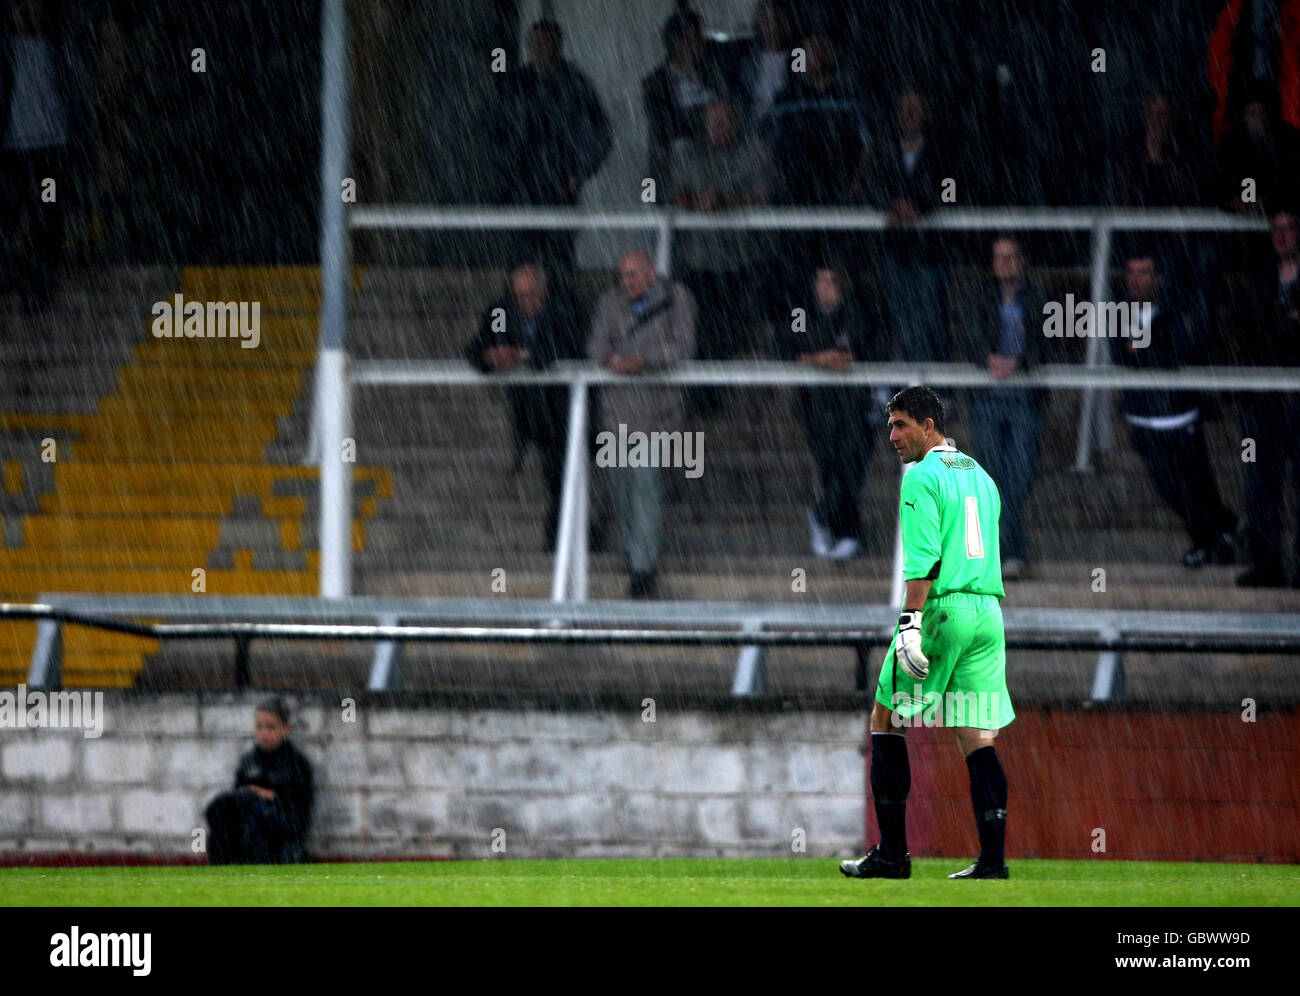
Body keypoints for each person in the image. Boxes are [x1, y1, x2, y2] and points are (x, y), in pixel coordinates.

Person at [842, 387, 1015, 881]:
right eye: (890, 425)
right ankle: (993, 861)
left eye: (900, 425)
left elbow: (925, 564)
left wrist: (910, 627)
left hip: (941, 611)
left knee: (885, 718)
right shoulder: (981, 475)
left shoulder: (920, 476)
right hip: (987, 613)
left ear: (929, 426)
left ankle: (893, 855)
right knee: (977, 737)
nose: (892, 436)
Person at [1112, 252, 1239, 569]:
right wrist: (1148, 350)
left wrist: (1146, 350)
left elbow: (1176, 354)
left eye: (1144, 273)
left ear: (1158, 278)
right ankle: (1223, 530)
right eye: (1132, 272)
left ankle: (1207, 540)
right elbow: (1123, 358)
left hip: (1178, 415)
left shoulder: (1176, 308)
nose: (1136, 280)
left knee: (1194, 485)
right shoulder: (1119, 314)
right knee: (1170, 488)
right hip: (1142, 417)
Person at [587, 251, 696, 598]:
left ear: (651, 273)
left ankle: (642, 568)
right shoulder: (609, 302)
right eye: (623, 276)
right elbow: (595, 345)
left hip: (656, 412)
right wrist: (611, 360)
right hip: (618, 411)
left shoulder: (677, 298)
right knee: (621, 487)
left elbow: (683, 347)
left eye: (633, 275)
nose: (627, 283)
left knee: (646, 485)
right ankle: (635, 552)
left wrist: (644, 361)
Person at [488, 19, 611, 301]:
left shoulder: (576, 85)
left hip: (559, 187)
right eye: (534, 43)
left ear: (559, 45)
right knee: (521, 261)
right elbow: (496, 133)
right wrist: (506, 175)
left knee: (559, 262)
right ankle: (517, 320)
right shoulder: (516, 85)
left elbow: (600, 135)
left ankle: (559, 317)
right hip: (522, 187)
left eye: (545, 42)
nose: (539, 49)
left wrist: (577, 174)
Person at [464, 264, 585, 550]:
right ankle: (564, 533)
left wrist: (522, 355)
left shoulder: (562, 309)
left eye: (531, 295)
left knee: (559, 473)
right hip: (524, 407)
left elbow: (567, 347)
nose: (524, 303)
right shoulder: (502, 313)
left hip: (559, 409)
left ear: (544, 292)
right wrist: (490, 356)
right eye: (518, 296)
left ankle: (561, 535)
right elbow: (475, 347)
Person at [773, 263, 888, 560]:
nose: (825, 287)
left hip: (856, 404)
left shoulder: (858, 312)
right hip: (818, 405)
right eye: (820, 280)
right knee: (830, 469)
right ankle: (847, 533)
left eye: (832, 280)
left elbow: (874, 349)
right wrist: (817, 359)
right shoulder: (801, 314)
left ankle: (824, 518)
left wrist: (847, 359)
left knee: (851, 468)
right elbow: (785, 350)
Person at [670, 97, 771, 416]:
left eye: (724, 121)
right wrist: (695, 200)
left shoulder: (752, 151)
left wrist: (726, 199)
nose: (719, 128)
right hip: (698, 261)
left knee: (730, 334)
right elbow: (673, 193)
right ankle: (702, 401)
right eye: (713, 122)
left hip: (739, 261)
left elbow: (763, 195)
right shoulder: (689, 153)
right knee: (699, 332)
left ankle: (727, 399)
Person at [959, 237, 1047, 580]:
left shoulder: (1038, 299)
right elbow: (968, 337)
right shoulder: (980, 296)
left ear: (1022, 261)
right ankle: (1010, 552)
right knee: (994, 478)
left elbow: (1048, 344)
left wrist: (1019, 363)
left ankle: (1003, 551)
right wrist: (988, 358)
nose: (1005, 264)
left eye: (1011, 257)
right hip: (987, 398)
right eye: (999, 258)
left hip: (1025, 398)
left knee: (1019, 477)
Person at [0, 0, 85, 312]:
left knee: (47, 212)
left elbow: (74, 89)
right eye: (20, 7)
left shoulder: (58, 47)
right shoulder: (10, 49)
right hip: (15, 150)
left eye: (33, 6)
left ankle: (40, 281)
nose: (27, 13)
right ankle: (21, 276)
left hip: (50, 149)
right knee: (11, 214)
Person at [1235, 208, 1300, 586]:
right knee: (1260, 481)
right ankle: (1267, 564)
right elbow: (1249, 329)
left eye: (1288, 229)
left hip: (1294, 396)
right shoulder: (1260, 279)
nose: (1281, 236)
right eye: (1275, 230)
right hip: (1262, 398)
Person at [873, 87, 951, 365]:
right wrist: (892, 204)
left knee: (933, 325)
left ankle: (940, 394)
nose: (907, 115)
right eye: (903, 109)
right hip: (895, 252)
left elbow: (950, 188)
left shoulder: (942, 150)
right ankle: (910, 391)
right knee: (903, 325)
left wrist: (920, 206)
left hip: (930, 254)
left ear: (926, 115)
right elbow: (870, 185)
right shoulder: (884, 148)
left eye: (914, 109)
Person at [205, 697, 314, 865]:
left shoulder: (296, 763)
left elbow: (300, 808)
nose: (264, 733)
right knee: (220, 813)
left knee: (258, 819)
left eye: (271, 727)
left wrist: (268, 796)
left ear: (286, 729)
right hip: (249, 821)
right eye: (259, 727)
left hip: (280, 828)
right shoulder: (249, 761)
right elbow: (237, 797)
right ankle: (221, 873)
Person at [641, 10, 725, 189]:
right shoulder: (656, 83)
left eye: (699, 38)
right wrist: (707, 117)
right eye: (691, 39)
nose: (699, 45)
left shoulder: (714, 75)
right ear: (677, 43)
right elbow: (665, 125)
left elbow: (728, 114)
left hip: (717, 163)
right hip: (675, 167)